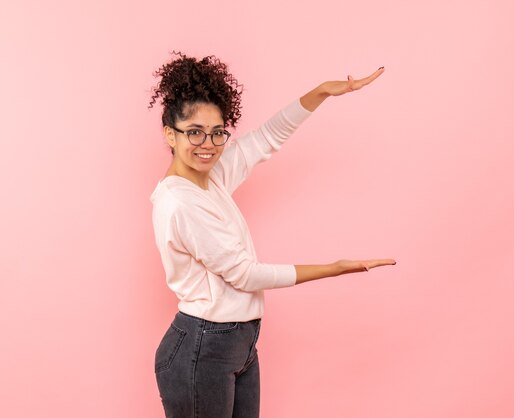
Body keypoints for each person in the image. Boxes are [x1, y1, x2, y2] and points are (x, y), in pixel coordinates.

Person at [148, 51, 396, 418]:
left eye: (218, 132)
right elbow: (244, 274)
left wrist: (321, 93)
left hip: (237, 341)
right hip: (204, 346)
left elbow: (265, 138)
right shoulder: (180, 202)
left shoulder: (209, 180)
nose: (209, 144)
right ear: (170, 133)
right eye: (195, 132)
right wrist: (334, 268)